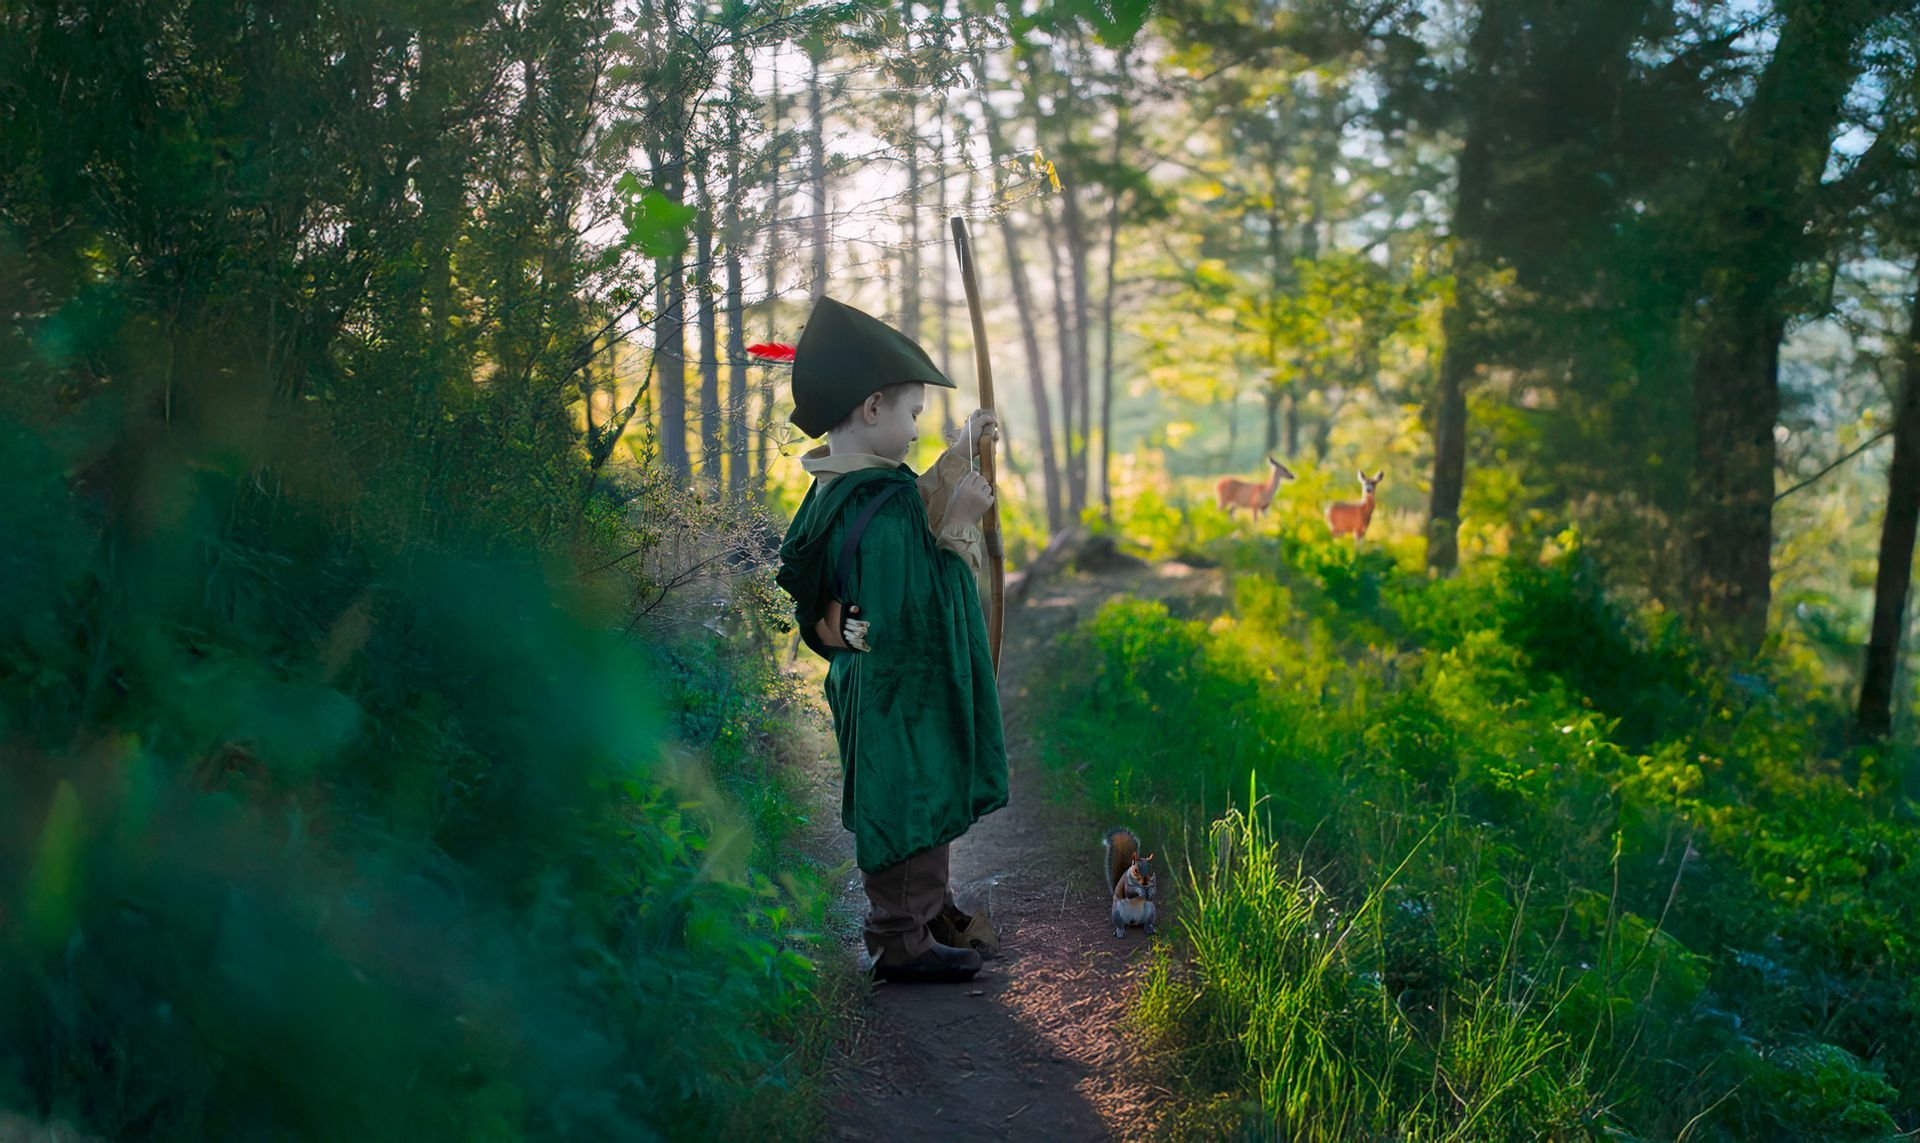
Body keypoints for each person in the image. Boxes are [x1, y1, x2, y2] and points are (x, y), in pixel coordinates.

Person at [774, 296, 1008, 984]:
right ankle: (899, 940)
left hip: (886, 686)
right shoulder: (876, 512)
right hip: (895, 688)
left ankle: (928, 909)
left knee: (922, 787)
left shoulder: (848, 486)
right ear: (872, 408)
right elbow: (915, 602)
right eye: (911, 414)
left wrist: (961, 448)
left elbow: (910, 503)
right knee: (902, 796)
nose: (915, 430)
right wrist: (962, 524)